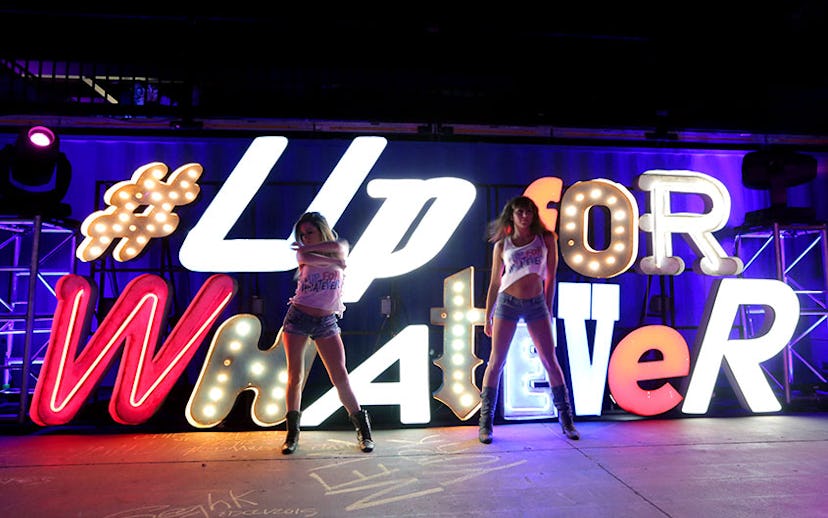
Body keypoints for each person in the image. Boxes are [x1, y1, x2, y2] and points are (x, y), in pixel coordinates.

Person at [479, 196, 580, 443]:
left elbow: (550, 277)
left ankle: (567, 421)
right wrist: (488, 315)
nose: (525, 216)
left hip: (536, 304)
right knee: (496, 361)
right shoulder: (503, 245)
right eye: (520, 212)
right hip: (507, 303)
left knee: (549, 360)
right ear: (511, 215)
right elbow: (494, 282)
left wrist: (548, 307)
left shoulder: (546, 240)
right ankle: (485, 424)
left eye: (529, 212)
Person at [279, 211, 374, 454]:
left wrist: (334, 259)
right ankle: (292, 435)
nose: (305, 239)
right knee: (294, 376)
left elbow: (339, 247)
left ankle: (363, 431)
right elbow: (307, 255)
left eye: (309, 232)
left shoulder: (340, 245)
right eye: (302, 235)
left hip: (326, 320)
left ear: (321, 230)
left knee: (340, 375)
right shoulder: (303, 253)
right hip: (298, 317)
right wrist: (335, 263)